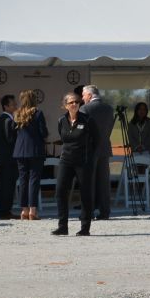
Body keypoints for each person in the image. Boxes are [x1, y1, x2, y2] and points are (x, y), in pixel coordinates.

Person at [52, 92, 98, 236]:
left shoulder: (87, 120)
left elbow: (96, 140)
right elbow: (64, 138)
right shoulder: (61, 121)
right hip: (66, 160)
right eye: (71, 102)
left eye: (77, 102)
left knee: (85, 193)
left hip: (83, 161)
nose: (74, 104)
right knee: (60, 191)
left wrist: (90, 157)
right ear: (65, 105)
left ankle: (85, 227)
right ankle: (62, 226)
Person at [80, 85, 115, 220]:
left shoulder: (85, 109)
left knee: (89, 182)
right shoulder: (109, 109)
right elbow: (109, 128)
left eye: (83, 95)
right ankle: (105, 211)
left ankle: (88, 212)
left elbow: (82, 130)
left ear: (89, 95)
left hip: (90, 149)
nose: (82, 98)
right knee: (104, 182)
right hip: (105, 148)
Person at [12, 89, 48, 220]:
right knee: (34, 180)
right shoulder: (38, 113)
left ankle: (24, 210)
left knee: (23, 180)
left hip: (19, 151)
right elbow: (43, 132)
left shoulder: (17, 114)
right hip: (35, 150)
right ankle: (33, 210)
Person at [0, 94, 20, 219]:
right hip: (8, 159)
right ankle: (5, 211)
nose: (15, 106)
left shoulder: (6, 119)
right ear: (6, 106)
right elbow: (10, 139)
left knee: (8, 185)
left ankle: (6, 210)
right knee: (7, 185)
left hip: (7, 159)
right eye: (13, 104)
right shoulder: (7, 120)